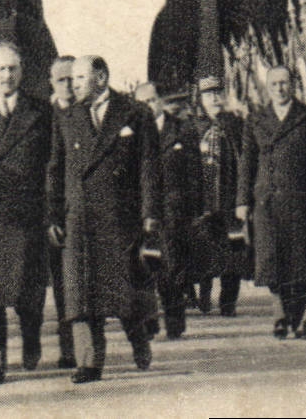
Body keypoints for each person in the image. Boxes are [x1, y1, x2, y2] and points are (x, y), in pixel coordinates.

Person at [47, 55, 159, 384]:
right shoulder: (67, 118)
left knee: (124, 292)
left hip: (120, 218)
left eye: (79, 77)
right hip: (79, 218)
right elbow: (55, 170)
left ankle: (138, 339)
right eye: (69, 79)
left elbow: (149, 170)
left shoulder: (135, 114)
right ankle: (89, 362)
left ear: (101, 77)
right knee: (80, 293)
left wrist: (150, 214)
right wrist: (53, 214)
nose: (73, 83)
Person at [0, 40, 53, 384]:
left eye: (12, 68)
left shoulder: (40, 111)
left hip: (28, 212)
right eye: (0, 68)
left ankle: (31, 340)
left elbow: (52, 163)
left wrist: (49, 210)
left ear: (22, 71)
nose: (6, 75)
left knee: (29, 290)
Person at [236, 65, 306, 340]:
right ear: (268, 87)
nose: (280, 88)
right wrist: (242, 200)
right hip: (267, 201)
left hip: (302, 200)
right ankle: (279, 313)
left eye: (285, 83)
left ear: (294, 85)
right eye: (275, 84)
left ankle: (303, 317)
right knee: (271, 261)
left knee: (302, 262)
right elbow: (247, 162)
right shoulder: (255, 119)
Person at [134, 81, 199, 340]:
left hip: (174, 210)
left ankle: (174, 320)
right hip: (143, 209)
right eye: (143, 102)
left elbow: (194, 173)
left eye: (152, 100)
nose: (149, 106)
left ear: (160, 100)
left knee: (171, 268)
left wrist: (193, 207)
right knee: (145, 268)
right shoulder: (132, 132)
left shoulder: (182, 128)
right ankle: (149, 321)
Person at [191, 76, 247, 317]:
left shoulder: (235, 125)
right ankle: (204, 297)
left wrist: (243, 198)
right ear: (200, 99)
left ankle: (228, 302)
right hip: (204, 199)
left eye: (217, 93)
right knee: (204, 247)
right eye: (208, 94)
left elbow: (245, 160)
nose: (213, 98)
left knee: (233, 249)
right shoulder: (193, 126)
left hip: (230, 197)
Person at [43, 55, 77, 368]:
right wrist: (50, 216)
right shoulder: (43, 115)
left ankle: (79, 346)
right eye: (61, 79)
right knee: (61, 283)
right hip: (50, 210)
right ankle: (67, 347)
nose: (68, 85)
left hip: (83, 210)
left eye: (72, 78)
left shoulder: (87, 112)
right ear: (51, 82)